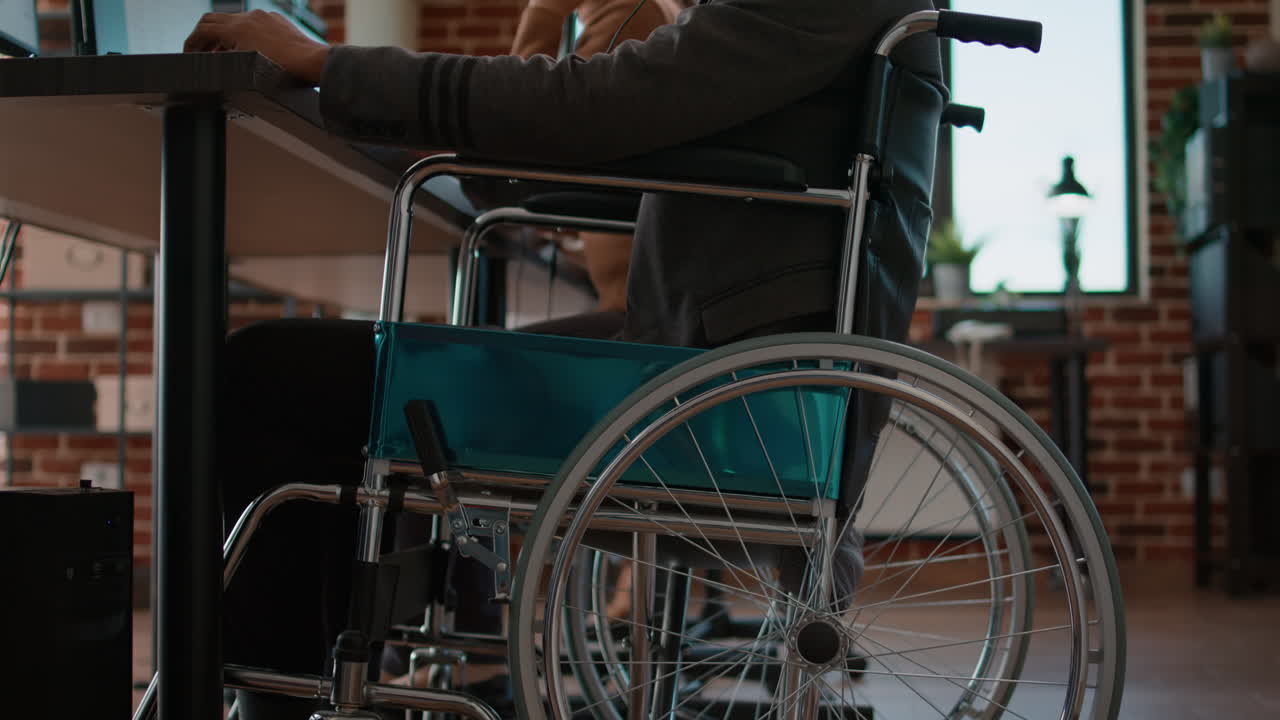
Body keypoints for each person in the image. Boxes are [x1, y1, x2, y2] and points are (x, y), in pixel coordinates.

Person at [187, 2, 941, 717]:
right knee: (322, 378)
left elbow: (595, 103)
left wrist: (329, 63)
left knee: (272, 375)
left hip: (711, 412)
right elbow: (603, 114)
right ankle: (340, 681)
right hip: (726, 388)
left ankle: (287, 701)